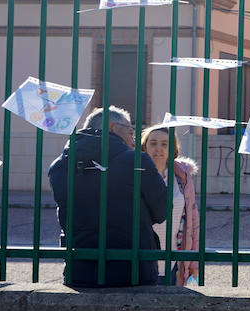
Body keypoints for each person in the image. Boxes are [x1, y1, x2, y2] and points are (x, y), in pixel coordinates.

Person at [48, 106, 166, 287]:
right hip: (132, 269)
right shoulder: (136, 161)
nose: (133, 138)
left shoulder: (60, 165)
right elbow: (162, 211)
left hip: (81, 267)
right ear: (112, 127)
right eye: (130, 130)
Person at [141, 125, 201, 286]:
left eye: (164, 144)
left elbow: (193, 222)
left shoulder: (182, 177)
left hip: (172, 261)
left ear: (172, 148)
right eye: (153, 143)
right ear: (144, 147)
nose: (158, 149)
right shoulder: (136, 174)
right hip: (141, 260)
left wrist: (193, 261)